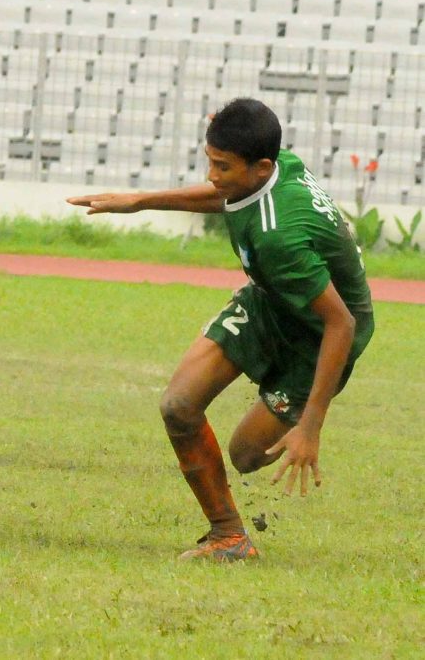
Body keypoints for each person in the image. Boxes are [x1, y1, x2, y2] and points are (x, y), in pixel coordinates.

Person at [68, 98, 374, 562]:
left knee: (247, 455)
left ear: (262, 165)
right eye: (209, 160)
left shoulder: (280, 238)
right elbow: (229, 194)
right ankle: (229, 537)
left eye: (222, 166)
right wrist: (142, 201)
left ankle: (287, 408)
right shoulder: (277, 167)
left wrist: (311, 426)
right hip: (272, 301)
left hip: (318, 338)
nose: (212, 174)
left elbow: (342, 322)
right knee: (179, 405)